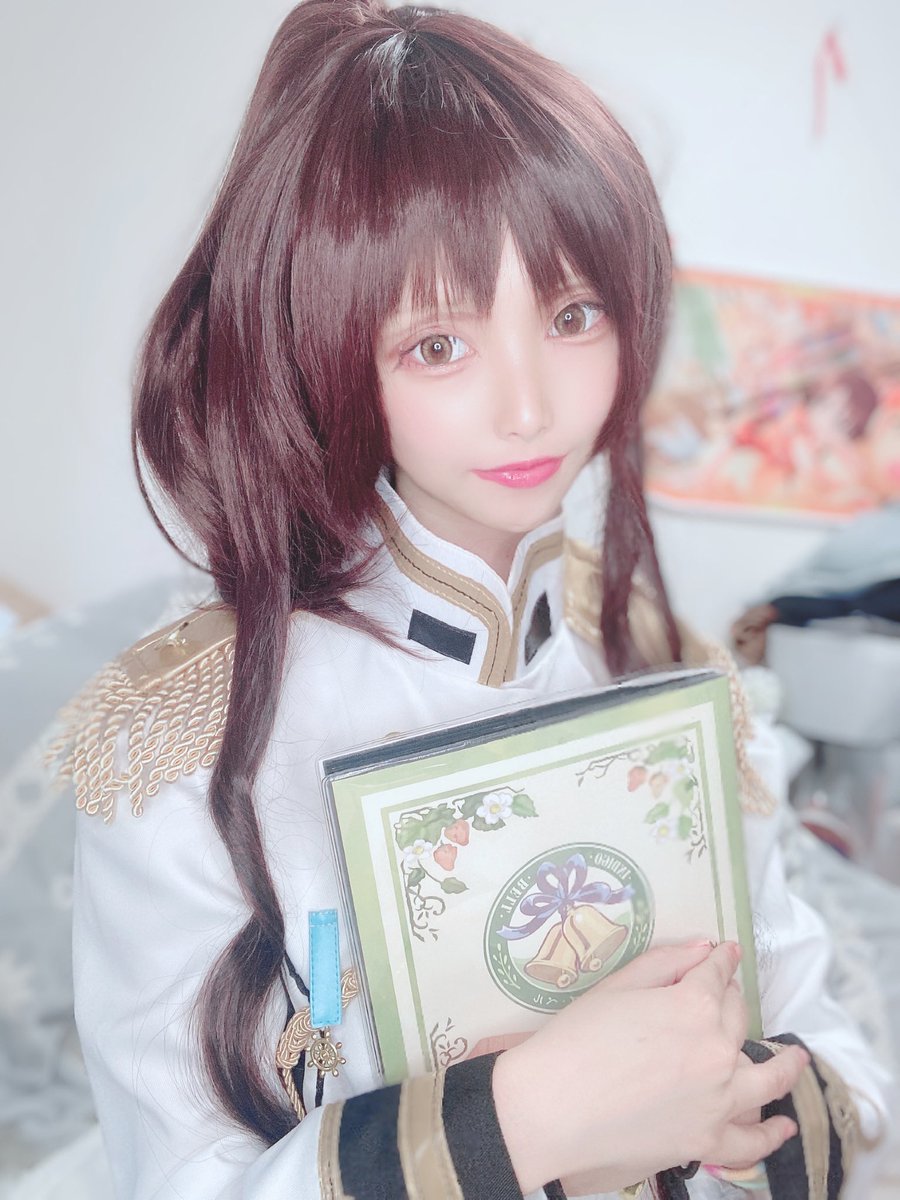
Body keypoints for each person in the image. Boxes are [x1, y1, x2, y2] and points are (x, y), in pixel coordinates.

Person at [50, 3, 889, 1198]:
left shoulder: (670, 663)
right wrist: (522, 1122)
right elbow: (182, 1173)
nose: (530, 406)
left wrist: (730, 1107)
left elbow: (831, 1048)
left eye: (573, 316)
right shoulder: (184, 732)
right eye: (438, 344)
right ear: (323, 351)